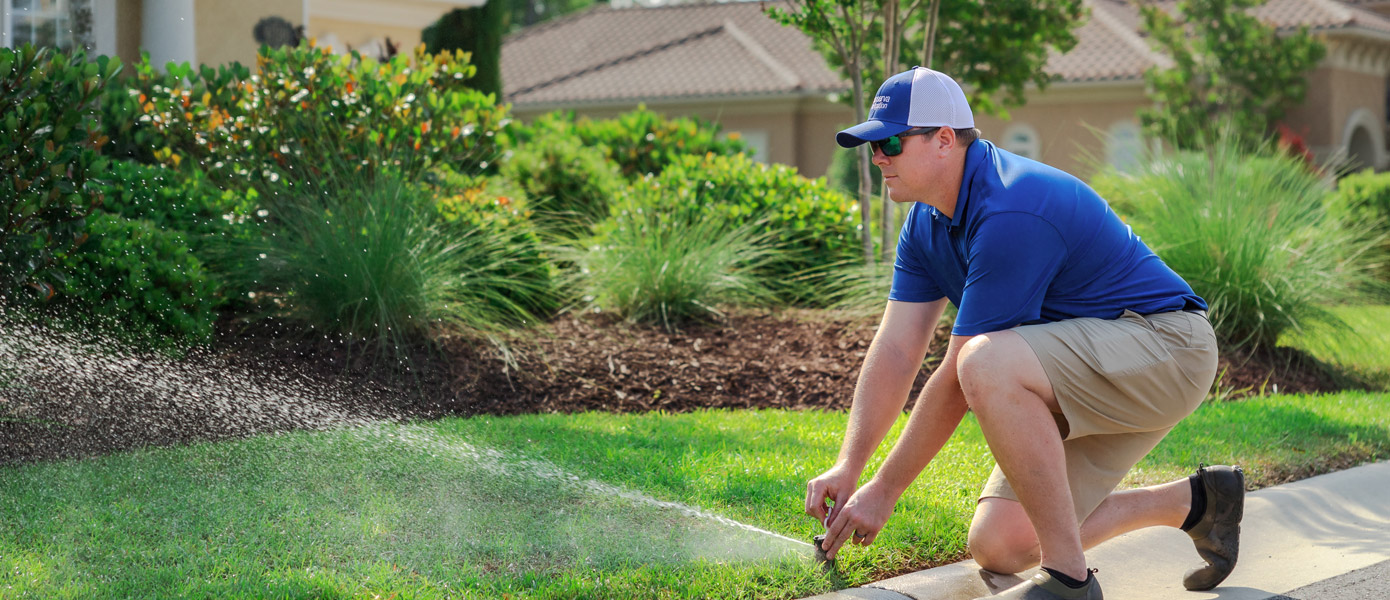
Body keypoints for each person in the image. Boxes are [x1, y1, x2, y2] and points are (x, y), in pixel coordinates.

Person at [804, 67, 1245, 600]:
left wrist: (885, 490)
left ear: (945, 140)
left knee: (985, 362)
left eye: (891, 142)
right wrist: (850, 467)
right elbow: (897, 349)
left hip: (1166, 349)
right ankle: (1198, 503)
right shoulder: (925, 224)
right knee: (1003, 546)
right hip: (1095, 364)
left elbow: (962, 375)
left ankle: (1068, 581)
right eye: (872, 145)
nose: (878, 157)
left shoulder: (1012, 206)